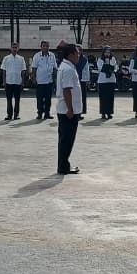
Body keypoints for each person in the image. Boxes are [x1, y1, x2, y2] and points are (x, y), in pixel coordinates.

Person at [55, 43, 83, 175]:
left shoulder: (67, 67)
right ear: (71, 55)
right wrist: (70, 109)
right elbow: (67, 90)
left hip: (66, 109)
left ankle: (63, 165)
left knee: (65, 139)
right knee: (67, 140)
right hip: (68, 111)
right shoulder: (68, 69)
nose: (79, 56)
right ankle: (63, 167)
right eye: (77, 53)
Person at [0, 42, 26, 121]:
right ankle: (9, 114)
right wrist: (4, 82)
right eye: (13, 47)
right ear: (10, 48)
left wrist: (23, 82)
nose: (14, 49)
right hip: (9, 82)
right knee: (9, 99)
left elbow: (23, 71)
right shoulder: (6, 58)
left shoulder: (21, 59)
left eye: (16, 47)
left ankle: (16, 115)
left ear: (18, 49)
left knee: (17, 99)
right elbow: (4, 71)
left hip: (18, 82)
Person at [31, 40, 57, 120]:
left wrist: (55, 78)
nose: (45, 47)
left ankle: (47, 113)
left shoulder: (52, 55)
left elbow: (55, 68)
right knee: (40, 99)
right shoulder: (37, 56)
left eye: (47, 46)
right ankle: (39, 113)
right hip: (40, 81)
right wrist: (34, 79)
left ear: (49, 47)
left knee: (48, 99)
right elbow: (34, 68)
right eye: (44, 46)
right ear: (41, 47)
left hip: (49, 81)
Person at [96, 46, 118, 120]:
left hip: (111, 80)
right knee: (103, 98)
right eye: (106, 52)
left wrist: (114, 70)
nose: (107, 54)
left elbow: (115, 67)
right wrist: (106, 67)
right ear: (103, 53)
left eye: (109, 52)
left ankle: (109, 113)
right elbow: (100, 68)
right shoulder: (100, 59)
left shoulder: (113, 58)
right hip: (103, 80)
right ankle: (103, 113)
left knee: (110, 98)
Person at [77, 45, 91, 115]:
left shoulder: (84, 59)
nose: (79, 51)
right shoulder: (72, 58)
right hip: (75, 80)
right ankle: (76, 111)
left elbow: (87, 70)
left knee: (83, 96)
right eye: (77, 50)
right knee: (76, 97)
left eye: (80, 50)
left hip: (82, 79)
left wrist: (87, 80)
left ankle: (82, 110)